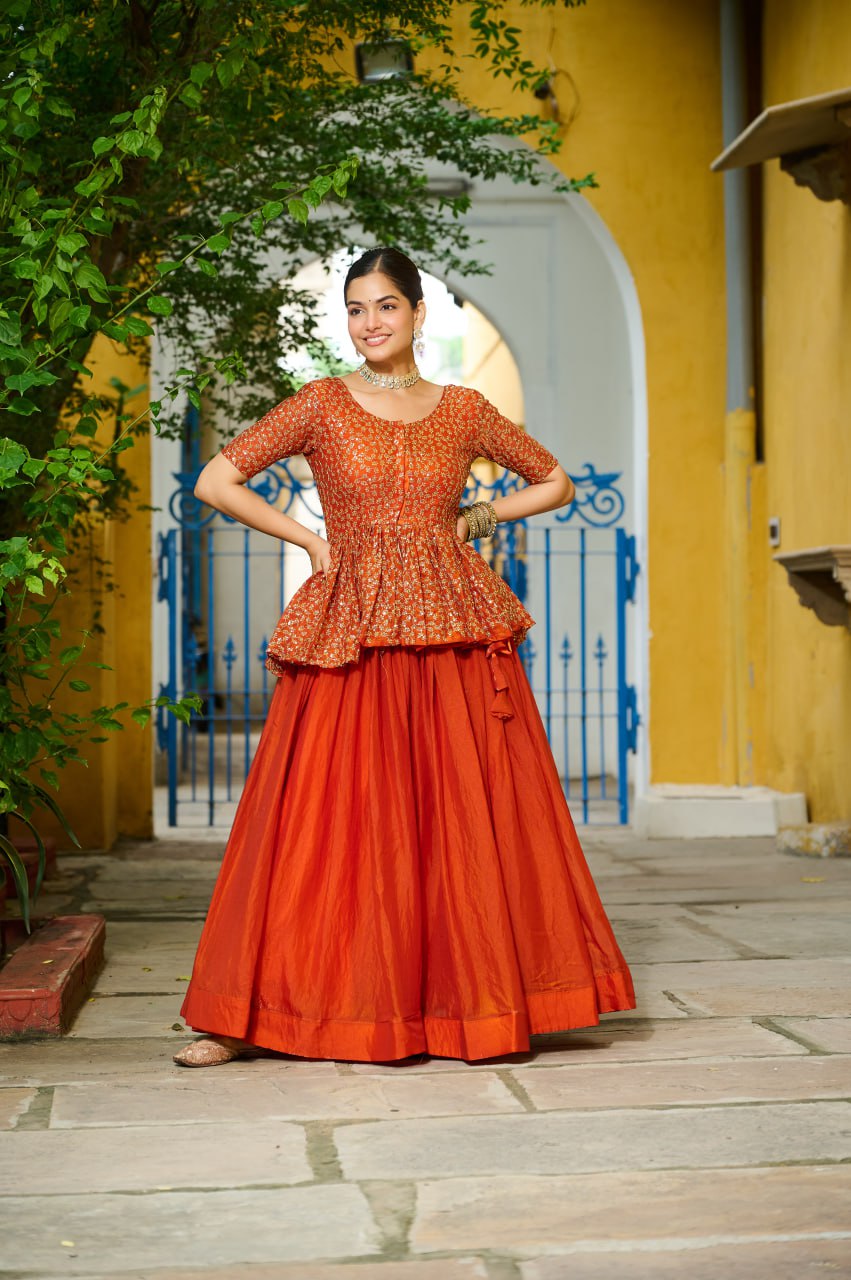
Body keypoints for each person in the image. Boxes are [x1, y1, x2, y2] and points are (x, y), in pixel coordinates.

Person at [174, 246, 635, 1068]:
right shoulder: (318, 403)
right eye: (355, 309)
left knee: (455, 818)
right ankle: (271, 1013)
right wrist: (310, 540)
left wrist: (479, 516)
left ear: (419, 313)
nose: (369, 323)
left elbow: (556, 483)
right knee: (326, 822)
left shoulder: (462, 410)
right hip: (350, 624)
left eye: (385, 305)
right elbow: (217, 480)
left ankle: (470, 1007)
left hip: (450, 624)